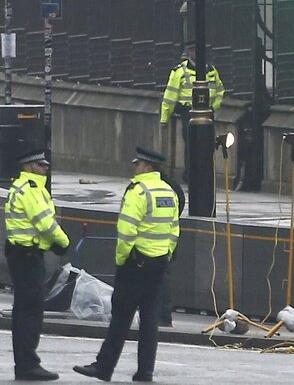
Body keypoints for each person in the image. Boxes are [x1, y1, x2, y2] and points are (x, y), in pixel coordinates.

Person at [74, 148, 180, 382]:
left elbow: (127, 230)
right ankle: (145, 371)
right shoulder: (168, 191)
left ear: (146, 166)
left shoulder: (138, 191)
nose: (135, 167)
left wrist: (122, 259)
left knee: (121, 318)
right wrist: (166, 254)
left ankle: (104, 367)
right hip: (159, 262)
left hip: (136, 262)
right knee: (150, 319)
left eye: (138, 164)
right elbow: (174, 228)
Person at [3, 150, 70, 381]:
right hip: (28, 255)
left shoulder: (22, 186)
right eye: (42, 165)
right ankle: (28, 363)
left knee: (23, 309)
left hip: (21, 252)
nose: (46, 169)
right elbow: (44, 222)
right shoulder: (31, 189)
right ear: (30, 166)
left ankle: (25, 361)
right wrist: (62, 242)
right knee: (31, 310)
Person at [159, 41, 225, 182]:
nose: (196, 53)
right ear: (189, 52)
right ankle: (191, 175)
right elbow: (170, 96)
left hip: (208, 113)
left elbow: (220, 91)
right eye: (193, 51)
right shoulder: (179, 71)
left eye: (198, 50)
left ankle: (205, 174)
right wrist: (164, 118)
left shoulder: (211, 70)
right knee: (191, 145)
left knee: (208, 145)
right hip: (188, 113)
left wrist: (214, 106)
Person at [156, 167, 185, 328]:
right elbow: (178, 211)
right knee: (163, 282)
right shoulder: (174, 188)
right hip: (167, 245)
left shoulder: (140, 188)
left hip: (144, 247)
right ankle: (163, 317)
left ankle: (159, 317)